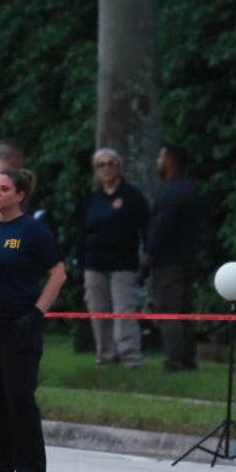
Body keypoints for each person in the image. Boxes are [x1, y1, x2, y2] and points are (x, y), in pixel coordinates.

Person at [0, 169, 66, 472]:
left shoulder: (32, 230)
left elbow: (58, 273)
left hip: (19, 325)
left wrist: (36, 313)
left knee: (19, 398)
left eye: (4, 189)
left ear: (20, 195)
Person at [77, 148, 149, 367]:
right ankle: (106, 355)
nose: (106, 168)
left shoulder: (132, 196)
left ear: (118, 166)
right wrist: (78, 262)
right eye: (101, 165)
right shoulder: (91, 199)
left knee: (124, 310)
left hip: (123, 263)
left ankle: (130, 357)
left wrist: (148, 257)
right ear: (95, 170)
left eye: (111, 163)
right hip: (94, 263)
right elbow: (81, 232)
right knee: (98, 311)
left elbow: (146, 228)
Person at [141, 143, 203, 373]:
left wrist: (149, 257)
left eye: (160, 157)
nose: (158, 162)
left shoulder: (170, 193)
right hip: (188, 259)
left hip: (169, 263)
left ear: (169, 160)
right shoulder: (191, 190)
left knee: (168, 311)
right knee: (185, 311)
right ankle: (188, 359)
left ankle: (173, 361)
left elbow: (161, 229)